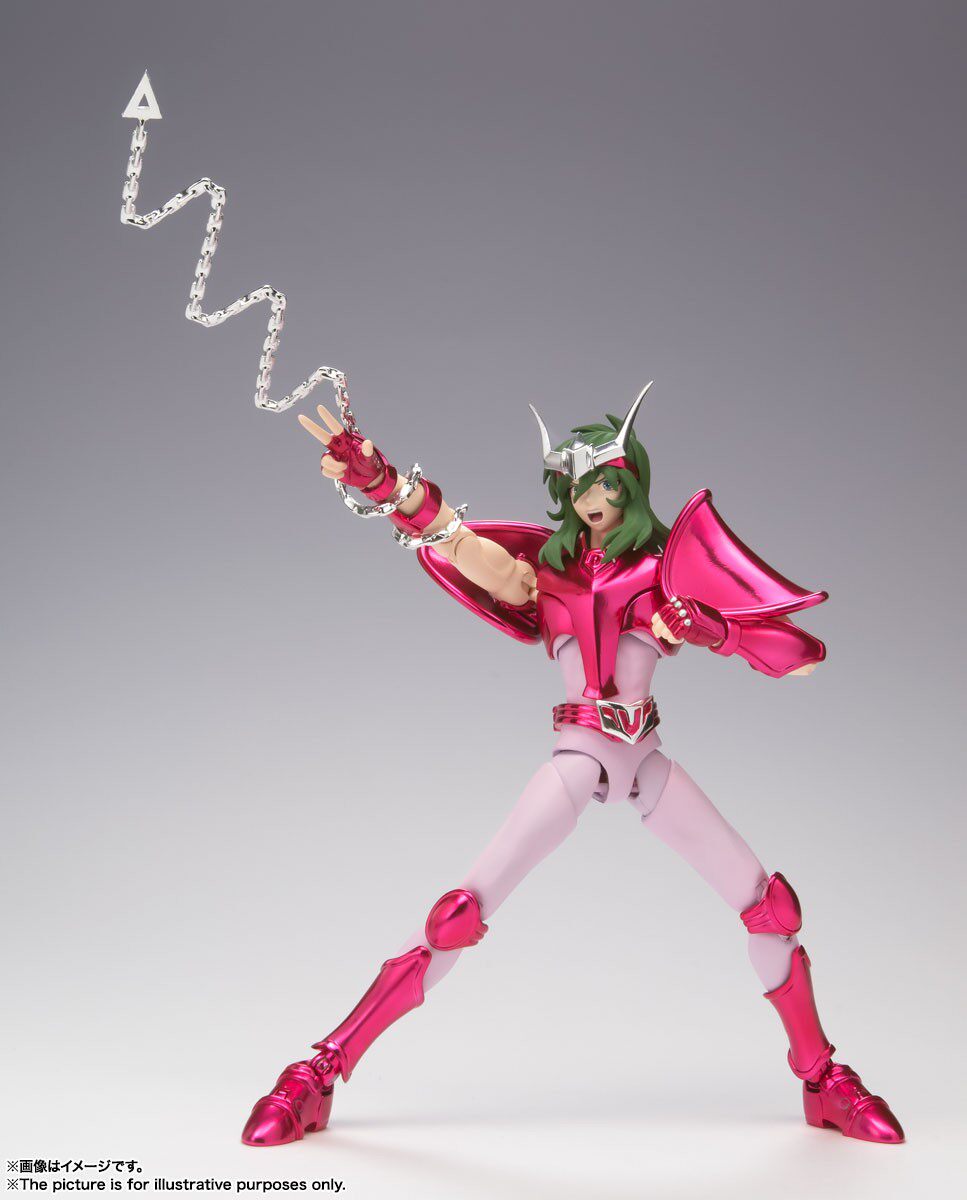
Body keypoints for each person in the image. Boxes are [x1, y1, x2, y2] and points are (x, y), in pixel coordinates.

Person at [241, 385, 903, 1147]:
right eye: (578, 485)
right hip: (580, 755)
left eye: (606, 485)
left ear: (630, 485)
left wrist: (710, 628)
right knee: (458, 914)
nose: (592, 499)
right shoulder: (547, 576)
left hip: (644, 759)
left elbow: (800, 657)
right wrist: (385, 484)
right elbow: (461, 545)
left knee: (771, 909)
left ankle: (822, 1080)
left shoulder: (663, 570)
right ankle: (320, 1070)